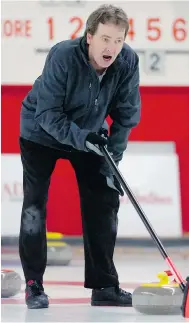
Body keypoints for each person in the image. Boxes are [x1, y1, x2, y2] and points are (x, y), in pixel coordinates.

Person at [19, 4, 141, 309]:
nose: (111, 47)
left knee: (104, 198)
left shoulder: (127, 61)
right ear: (90, 37)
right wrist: (82, 138)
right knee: (34, 206)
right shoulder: (63, 56)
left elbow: (126, 116)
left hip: (88, 135)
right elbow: (48, 114)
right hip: (40, 132)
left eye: (118, 40)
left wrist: (114, 159)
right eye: (105, 39)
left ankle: (104, 286)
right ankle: (34, 285)